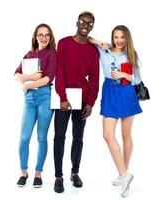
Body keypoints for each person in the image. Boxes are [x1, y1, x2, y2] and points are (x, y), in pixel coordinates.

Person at [89, 25, 142, 197]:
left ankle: (123, 173)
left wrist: (123, 75)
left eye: (122, 37)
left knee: (126, 136)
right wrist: (101, 43)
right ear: (112, 38)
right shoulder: (105, 50)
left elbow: (137, 79)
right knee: (107, 134)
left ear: (127, 39)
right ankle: (125, 175)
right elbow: (88, 39)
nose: (119, 40)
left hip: (126, 93)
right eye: (116, 37)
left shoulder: (131, 54)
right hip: (110, 92)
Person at [53, 11, 99, 193]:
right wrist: (63, 98)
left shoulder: (93, 50)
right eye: (83, 22)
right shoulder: (64, 43)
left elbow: (95, 78)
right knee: (59, 136)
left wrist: (90, 102)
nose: (86, 25)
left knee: (78, 138)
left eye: (90, 23)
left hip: (82, 97)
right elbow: (60, 72)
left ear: (92, 26)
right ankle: (58, 176)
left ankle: (74, 172)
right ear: (77, 23)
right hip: (64, 96)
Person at [15, 23, 56, 188]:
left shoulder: (53, 54)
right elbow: (16, 74)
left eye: (47, 35)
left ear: (50, 37)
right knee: (24, 138)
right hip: (29, 100)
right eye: (41, 35)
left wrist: (27, 85)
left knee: (41, 137)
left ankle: (38, 173)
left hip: (45, 97)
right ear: (35, 37)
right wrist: (30, 76)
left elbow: (48, 79)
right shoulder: (29, 54)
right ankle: (24, 172)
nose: (44, 38)